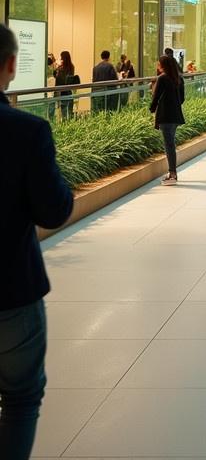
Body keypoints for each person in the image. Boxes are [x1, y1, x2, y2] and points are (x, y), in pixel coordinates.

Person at [0, 25, 73, 460]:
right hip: (10, 287)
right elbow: (54, 210)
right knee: (21, 397)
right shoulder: (26, 131)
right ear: (12, 65)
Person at [149, 55, 186, 185]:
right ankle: (172, 172)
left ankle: (172, 173)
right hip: (176, 115)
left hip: (165, 115)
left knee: (169, 145)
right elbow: (182, 99)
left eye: (158, 63)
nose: (157, 65)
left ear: (162, 65)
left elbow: (156, 97)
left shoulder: (162, 78)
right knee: (170, 143)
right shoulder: (179, 78)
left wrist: (152, 109)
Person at [54, 51, 79, 120]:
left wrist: (57, 67)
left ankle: (64, 121)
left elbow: (57, 77)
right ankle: (68, 121)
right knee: (69, 109)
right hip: (68, 90)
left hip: (61, 90)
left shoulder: (61, 68)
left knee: (63, 109)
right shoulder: (71, 66)